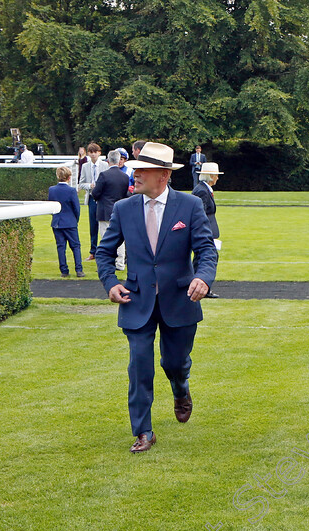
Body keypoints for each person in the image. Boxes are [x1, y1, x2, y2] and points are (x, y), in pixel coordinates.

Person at [96, 142, 218, 453]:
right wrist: (110, 283)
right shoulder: (123, 209)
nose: (133, 175)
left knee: (174, 363)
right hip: (136, 302)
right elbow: (105, 252)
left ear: (163, 176)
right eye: (134, 169)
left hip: (180, 301)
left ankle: (180, 389)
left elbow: (205, 251)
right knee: (139, 366)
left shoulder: (189, 206)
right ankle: (143, 432)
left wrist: (203, 278)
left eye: (141, 171)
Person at [92, 150, 130, 271]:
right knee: (120, 238)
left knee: (105, 237)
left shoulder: (104, 175)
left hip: (104, 210)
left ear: (108, 160)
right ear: (119, 161)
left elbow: (96, 193)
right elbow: (125, 194)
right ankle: (120, 263)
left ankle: (107, 263)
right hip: (119, 210)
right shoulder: (125, 177)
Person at [192, 162, 222, 299]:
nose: (217, 178)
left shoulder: (205, 189)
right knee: (205, 258)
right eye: (216, 175)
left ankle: (200, 287)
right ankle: (201, 287)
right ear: (210, 176)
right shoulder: (201, 191)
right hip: (205, 232)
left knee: (204, 258)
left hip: (209, 231)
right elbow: (200, 214)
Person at [47, 165, 84, 278]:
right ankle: (79, 270)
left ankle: (64, 270)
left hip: (57, 222)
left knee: (61, 247)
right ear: (69, 178)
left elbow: (51, 206)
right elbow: (76, 208)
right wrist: (75, 220)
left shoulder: (52, 190)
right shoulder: (71, 191)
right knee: (75, 246)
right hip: (70, 222)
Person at [78, 142, 109, 260]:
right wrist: (89, 186)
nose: (93, 155)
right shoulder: (85, 166)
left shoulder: (105, 165)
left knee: (104, 224)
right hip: (91, 198)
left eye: (95, 152)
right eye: (91, 152)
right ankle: (93, 251)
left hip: (103, 198)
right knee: (93, 225)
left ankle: (104, 250)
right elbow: (81, 183)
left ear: (99, 153)